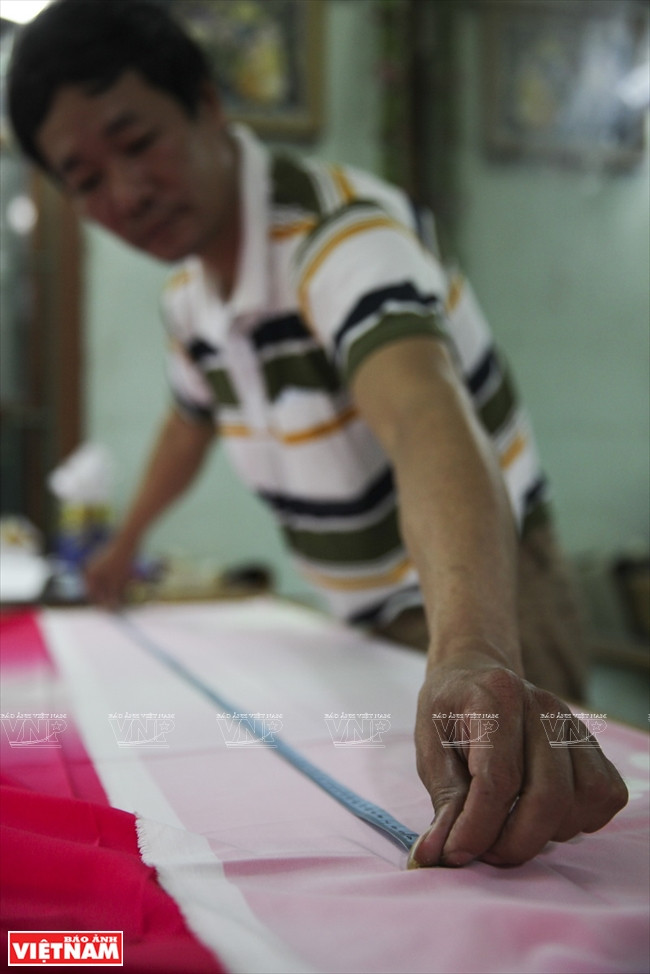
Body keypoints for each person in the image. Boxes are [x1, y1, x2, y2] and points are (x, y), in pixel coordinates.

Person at [7, 0, 627, 869]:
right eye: (86, 178)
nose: (127, 193)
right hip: (373, 613)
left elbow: (423, 421)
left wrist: (476, 648)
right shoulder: (192, 299)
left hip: (483, 591)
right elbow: (189, 424)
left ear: (209, 104)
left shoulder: (344, 242)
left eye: (137, 141)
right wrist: (124, 547)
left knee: (525, 849)